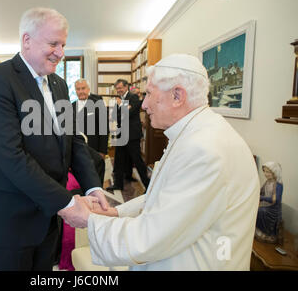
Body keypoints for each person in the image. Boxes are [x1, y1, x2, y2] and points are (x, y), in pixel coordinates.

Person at [60, 54, 260, 270]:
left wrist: (89, 220)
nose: (144, 104)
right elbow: (162, 197)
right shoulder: (195, 133)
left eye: (148, 94)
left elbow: (149, 238)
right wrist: (116, 212)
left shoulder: (203, 150)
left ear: (177, 95)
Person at [0, 7, 108, 271]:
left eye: (63, 44)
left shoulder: (59, 84)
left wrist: (93, 186)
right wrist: (67, 202)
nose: (60, 52)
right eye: (53, 43)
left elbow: (74, 141)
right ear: (27, 40)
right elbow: (10, 155)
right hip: (11, 221)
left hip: (49, 220)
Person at [108, 79, 150, 191]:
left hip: (132, 135)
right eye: (117, 89)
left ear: (126, 87)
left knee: (137, 161)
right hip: (121, 133)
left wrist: (121, 106)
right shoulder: (119, 99)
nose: (119, 90)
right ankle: (118, 184)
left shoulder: (133, 97)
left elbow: (129, 113)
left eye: (120, 88)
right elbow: (116, 116)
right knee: (119, 160)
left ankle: (148, 186)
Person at [73, 79, 108, 184]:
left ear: (88, 89)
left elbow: (104, 128)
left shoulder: (98, 103)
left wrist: (102, 151)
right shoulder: (71, 106)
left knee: (96, 179)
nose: (81, 91)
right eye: (78, 89)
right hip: (78, 151)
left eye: (83, 88)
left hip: (94, 148)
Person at [255, 162, 283, 243]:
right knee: (255, 208)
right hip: (267, 205)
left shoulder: (278, 185)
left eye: (268, 172)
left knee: (260, 211)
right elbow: (261, 191)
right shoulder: (268, 182)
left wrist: (262, 198)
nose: (265, 174)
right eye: (264, 171)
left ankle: (267, 233)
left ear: (275, 173)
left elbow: (275, 200)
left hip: (273, 209)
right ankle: (259, 230)